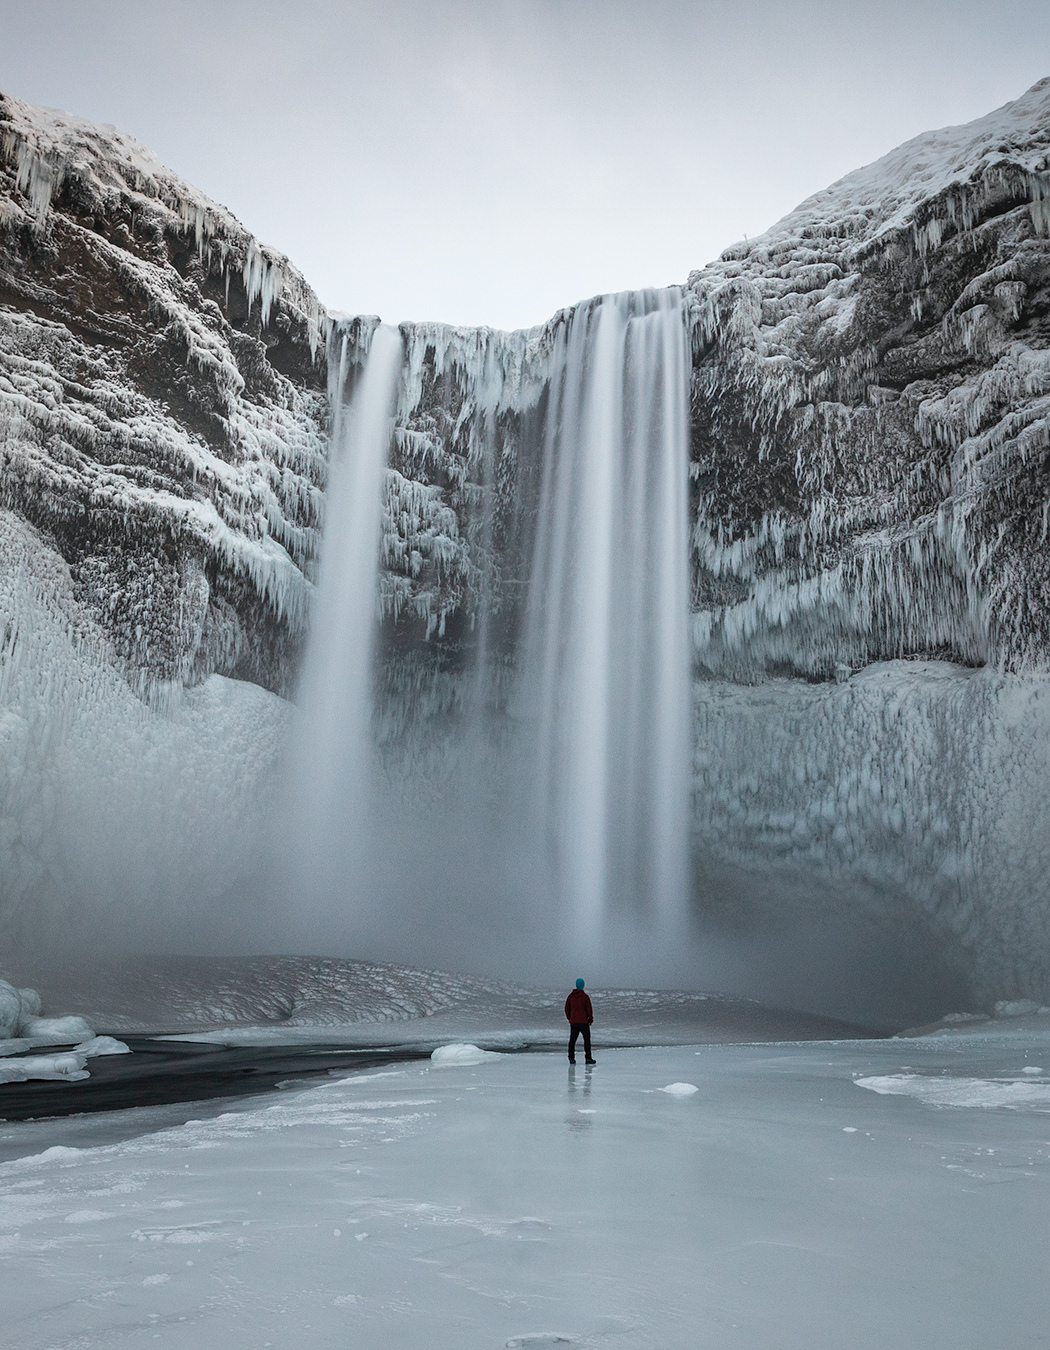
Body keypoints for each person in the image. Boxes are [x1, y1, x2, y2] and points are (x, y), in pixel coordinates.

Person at [565, 977, 596, 1065]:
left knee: (572, 1040)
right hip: (584, 1022)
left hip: (574, 1022)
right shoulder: (585, 997)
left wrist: (569, 1018)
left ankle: (571, 1058)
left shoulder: (570, 996)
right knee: (587, 1040)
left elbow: (567, 1008)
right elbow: (589, 1009)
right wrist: (590, 1019)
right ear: (583, 986)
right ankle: (588, 1058)